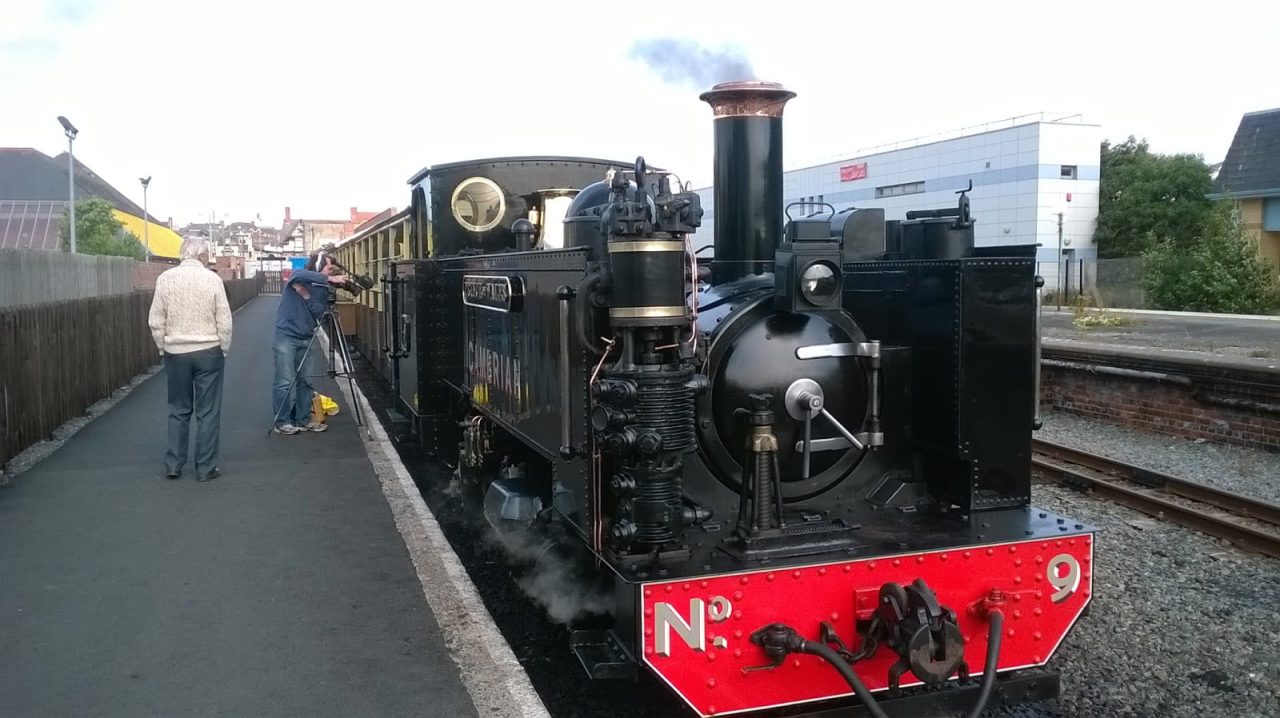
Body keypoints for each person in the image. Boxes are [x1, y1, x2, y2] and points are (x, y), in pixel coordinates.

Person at [148, 235, 233, 481]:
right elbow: (224, 320)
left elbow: (156, 320)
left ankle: (174, 464)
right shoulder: (213, 279)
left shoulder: (165, 279)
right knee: (208, 412)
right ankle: (205, 468)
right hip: (209, 351)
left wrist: (163, 347)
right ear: (203, 256)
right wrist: (223, 348)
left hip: (176, 352)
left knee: (178, 409)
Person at [271, 252, 348, 434]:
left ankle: (302, 419)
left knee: (305, 381)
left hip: (306, 336)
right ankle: (282, 422)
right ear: (319, 266)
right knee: (283, 381)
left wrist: (306, 296)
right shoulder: (300, 277)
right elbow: (295, 275)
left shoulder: (322, 288)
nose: (330, 272)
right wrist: (329, 278)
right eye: (329, 268)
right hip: (286, 336)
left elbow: (320, 312)